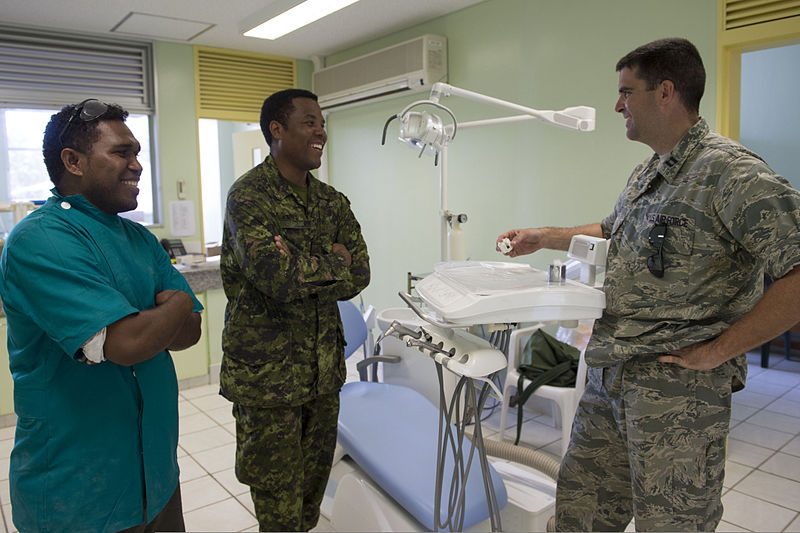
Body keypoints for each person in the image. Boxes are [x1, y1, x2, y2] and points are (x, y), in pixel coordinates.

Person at [497, 38, 800, 531]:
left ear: (665, 92)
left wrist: (719, 350)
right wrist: (544, 236)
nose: (617, 105)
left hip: (678, 391)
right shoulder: (650, 171)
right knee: (581, 514)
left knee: (673, 523)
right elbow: (613, 228)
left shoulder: (732, 174)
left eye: (625, 92)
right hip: (611, 374)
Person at [0, 99, 204, 532]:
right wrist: (176, 304)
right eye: (121, 153)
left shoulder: (137, 237)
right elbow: (126, 345)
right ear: (72, 161)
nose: (137, 165)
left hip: (157, 478)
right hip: (78, 495)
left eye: (137, 153)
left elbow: (189, 332)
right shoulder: (39, 240)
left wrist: (164, 318)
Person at [220, 88, 370, 531]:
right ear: (277, 130)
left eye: (322, 122)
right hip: (268, 382)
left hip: (322, 376)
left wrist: (305, 263)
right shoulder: (249, 198)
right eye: (309, 122)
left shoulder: (331, 202)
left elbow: (360, 273)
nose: (320, 131)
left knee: (309, 500)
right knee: (278, 507)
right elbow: (277, 278)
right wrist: (333, 260)